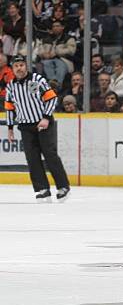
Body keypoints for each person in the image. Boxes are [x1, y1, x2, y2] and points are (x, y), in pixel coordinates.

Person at [3, 55, 70, 202]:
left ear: (26, 66)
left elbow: (51, 98)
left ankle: (63, 187)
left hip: (43, 123)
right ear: (12, 69)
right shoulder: (11, 86)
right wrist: (10, 128)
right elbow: (9, 108)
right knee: (32, 159)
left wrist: (46, 117)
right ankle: (42, 189)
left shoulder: (37, 80)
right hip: (26, 127)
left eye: (21, 65)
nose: (19, 68)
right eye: (16, 66)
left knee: (50, 155)